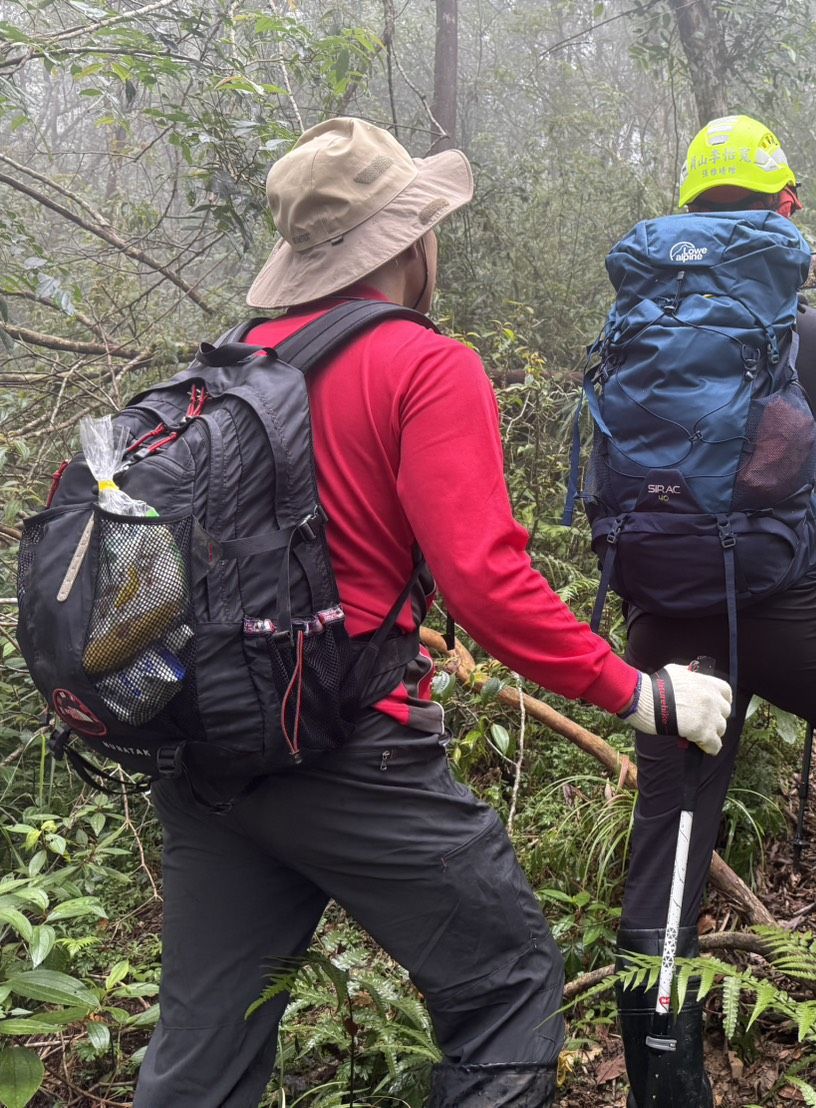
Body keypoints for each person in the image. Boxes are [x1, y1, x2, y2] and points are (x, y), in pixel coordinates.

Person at [133, 117, 732, 1108]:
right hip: (346, 750)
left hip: (207, 750)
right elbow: (487, 586)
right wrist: (640, 694)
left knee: (199, 1058)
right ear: (411, 243)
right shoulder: (424, 364)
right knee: (507, 988)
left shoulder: (234, 362)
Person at [611, 114, 816, 1107]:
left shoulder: (639, 330)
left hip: (662, 615)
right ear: (786, 208)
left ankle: (666, 1085)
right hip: (785, 606)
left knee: (673, 826)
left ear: (689, 208)